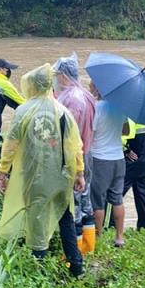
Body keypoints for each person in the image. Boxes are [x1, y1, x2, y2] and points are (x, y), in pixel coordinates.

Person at [0, 64, 86, 276]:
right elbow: (75, 145)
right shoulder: (63, 112)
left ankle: (39, 270)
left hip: (34, 176)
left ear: (32, 86)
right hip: (62, 175)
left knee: (36, 219)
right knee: (65, 217)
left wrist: (3, 172)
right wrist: (80, 173)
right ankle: (77, 267)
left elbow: (11, 144)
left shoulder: (23, 111)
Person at [52, 53, 97, 254]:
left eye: (56, 75)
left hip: (75, 157)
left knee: (75, 203)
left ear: (63, 76)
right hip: (88, 153)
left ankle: (76, 252)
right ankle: (89, 245)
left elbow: (68, 136)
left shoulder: (71, 99)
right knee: (85, 200)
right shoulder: (87, 95)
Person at [89, 81, 128, 247]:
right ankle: (119, 237)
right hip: (118, 158)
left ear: (99, 89)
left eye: (92, 86)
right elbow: (125, 131)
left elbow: (91, 131)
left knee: (98, 199)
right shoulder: (120, 108)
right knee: (117, 199)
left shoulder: (97, 108)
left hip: (100, 159)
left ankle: (98, 236)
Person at [120, 119, 145, 232]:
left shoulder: (129, 114)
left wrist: (126, 151)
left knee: (116, 194)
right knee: (143, 197)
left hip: (131, 159)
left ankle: (110, 225)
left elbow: (122, 137)